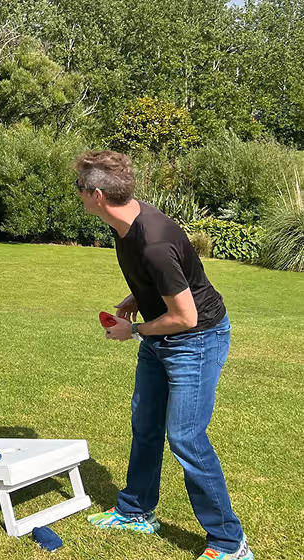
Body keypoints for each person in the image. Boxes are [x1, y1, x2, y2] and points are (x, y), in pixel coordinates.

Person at [74, 150, 252, 560]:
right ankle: (136, 511)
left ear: (98, 194)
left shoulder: (152, 239)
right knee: (146, 423)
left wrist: (132, 329)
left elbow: (186, 317)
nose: (78, 196)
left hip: (196, 340)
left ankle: (230, 542)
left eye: (80, 189)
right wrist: (139, 296)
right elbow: (168, 280)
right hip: (163, 336)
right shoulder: (128, 222)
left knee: (186, 437)